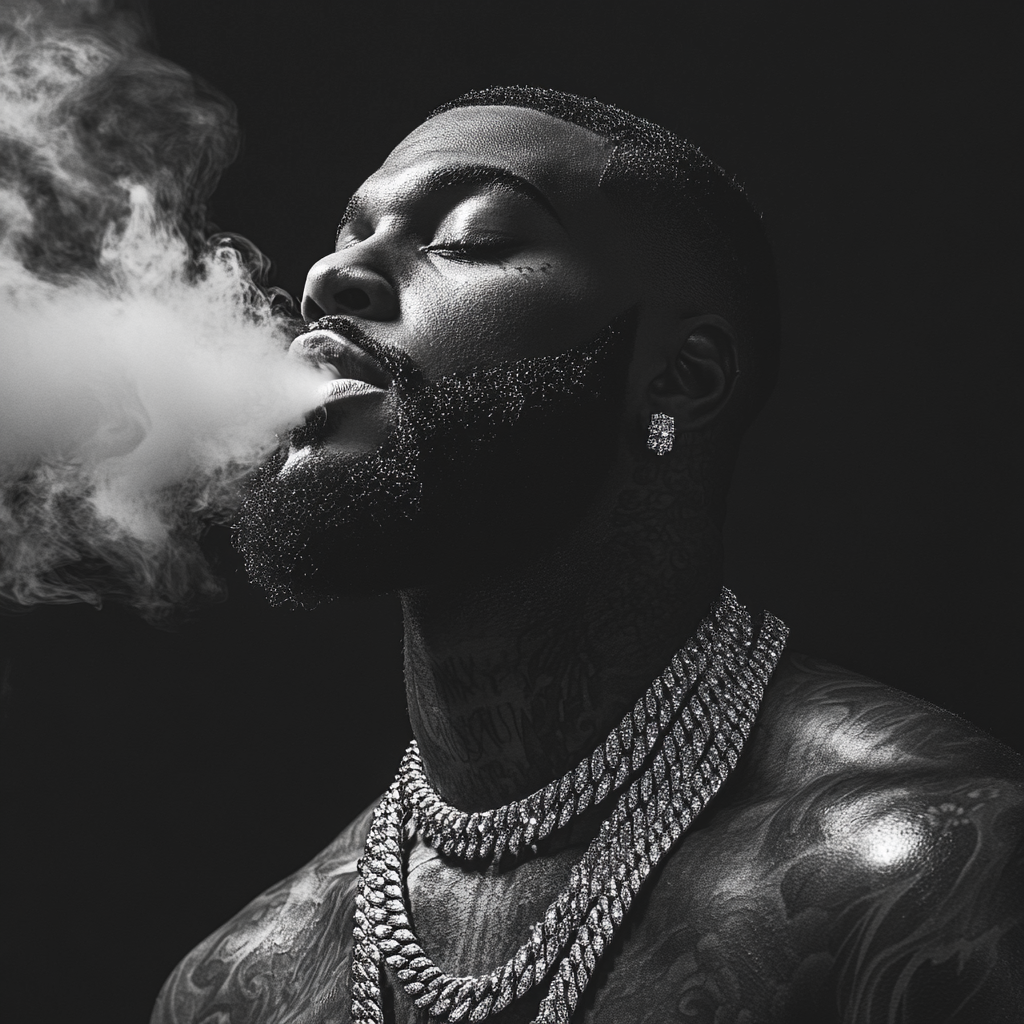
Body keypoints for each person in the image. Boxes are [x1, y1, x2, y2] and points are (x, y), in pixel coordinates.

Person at [151, 87, 1023, 1024]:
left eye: (468, 238)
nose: (332, 274)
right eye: (349, 231)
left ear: (680, 380)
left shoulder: (926, 873)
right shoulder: (240, 988)